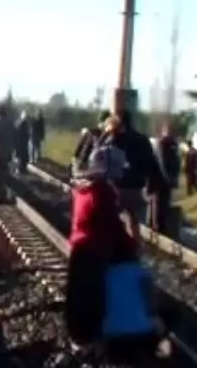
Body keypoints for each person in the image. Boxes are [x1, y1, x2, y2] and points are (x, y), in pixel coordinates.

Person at [65, 145, 134, 347]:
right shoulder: (103, 192)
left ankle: (78, 337)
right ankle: (92, 338)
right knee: (94, 296)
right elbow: (112, 226)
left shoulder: (84, 186)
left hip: (80, 246)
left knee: (78, 294)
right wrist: (129, 245)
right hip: (95, 249)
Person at [99, 112, 165, 230]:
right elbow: (151, 163)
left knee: (110, 219)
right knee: (134, 221)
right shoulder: (143, 139)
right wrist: (151, 183)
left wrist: (105, 134)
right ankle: (135, 244)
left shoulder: (115, 139)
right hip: (137, 187)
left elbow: (99, 156)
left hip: (117, 187)